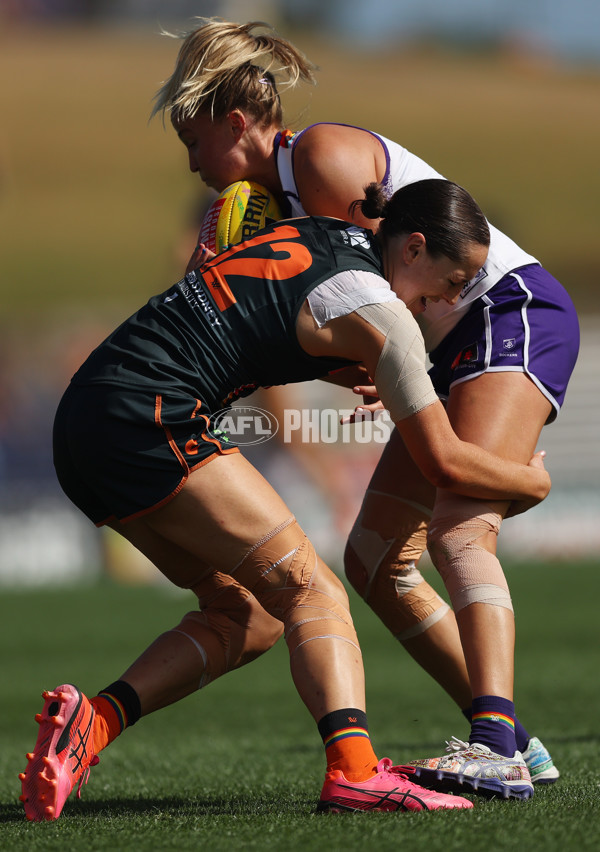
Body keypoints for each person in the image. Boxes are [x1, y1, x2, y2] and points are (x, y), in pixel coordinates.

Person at [19, 180, 552, 821]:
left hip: (84, 421)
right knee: (313, 590)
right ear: (413, 247)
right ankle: (355, 773)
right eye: (454, 278)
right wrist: (530, 483)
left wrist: (367, 367)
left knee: (246, 613)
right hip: (150, 414)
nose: (452, 298)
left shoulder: (325, 233)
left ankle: (93, 723)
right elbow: (442, 460)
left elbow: (277, 315)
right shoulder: (384, 313)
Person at [149, 18, 579, 797]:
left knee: (458, 526)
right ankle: (518, 742)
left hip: (504, 312)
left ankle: (494, 746)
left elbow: (401, 282)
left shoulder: (318, 157)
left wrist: (381, 352)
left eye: (192, 139)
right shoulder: (281, 203)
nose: (191, 163)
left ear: (234, 123)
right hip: (450, 339)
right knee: (375, 562)